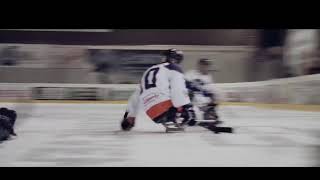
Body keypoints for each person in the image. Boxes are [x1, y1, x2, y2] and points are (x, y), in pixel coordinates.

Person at [121, 49, 196, 131]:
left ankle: (171, 118)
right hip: (167, 109)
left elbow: (136, 96)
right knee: (188, 92)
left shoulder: (149, 70)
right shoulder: (174, 68)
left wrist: (130, 117)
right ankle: (176, 117)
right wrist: (189, 110)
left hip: (151, 113)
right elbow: (178, 89)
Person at [185, 58, 221, 125]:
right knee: (190, 94)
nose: (205, 67)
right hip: (191, 97)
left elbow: (209, 90)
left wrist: (212, 97)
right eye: (204, 65)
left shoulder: (208, 77)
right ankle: (189, 114)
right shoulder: (190, 73)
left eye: (207, 65)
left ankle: (209, 114)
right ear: (199, 65)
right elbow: (184, 84)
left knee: (213, 97)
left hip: (201, 98)